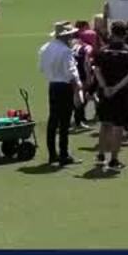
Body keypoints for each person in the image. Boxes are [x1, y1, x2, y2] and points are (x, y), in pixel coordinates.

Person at [93, 24, 128, 172]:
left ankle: (100, 155)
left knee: (105, 124)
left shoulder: (103, 51)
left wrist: (105, 87)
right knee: (118, 126)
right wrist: (116, 88)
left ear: (112, 34)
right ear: (124, 34)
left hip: (105, 93)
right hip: (121, 93)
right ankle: (114, 159)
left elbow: (97, 71)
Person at [38, 21, 84, 166]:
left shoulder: (45, 48)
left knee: (53, 120)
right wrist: (78, 89)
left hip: (53, 85)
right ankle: (63, 154)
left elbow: (41, 68)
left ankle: (53, 154)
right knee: (64, 122)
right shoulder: (65, 51)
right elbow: (71, 73)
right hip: (64, 87)